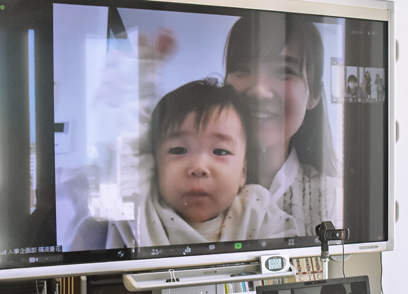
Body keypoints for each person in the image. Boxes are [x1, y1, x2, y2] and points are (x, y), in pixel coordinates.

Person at [101, 79, 297, 246]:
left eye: (220, 151)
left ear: (243, 173)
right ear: (155, 165)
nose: (199, 167)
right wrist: (147, 71)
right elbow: (126, 145)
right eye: (178, 150)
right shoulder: (142, 207)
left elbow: (288, 257)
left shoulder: (254, 210)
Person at [224, 14, 341, 235]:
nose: (259, 89)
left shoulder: (332, 199)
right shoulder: (195, 182)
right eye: (243, 69)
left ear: (314, 93)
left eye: (284, 71)